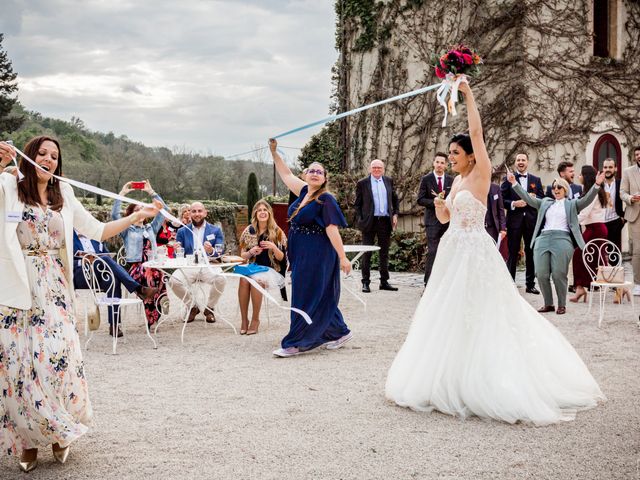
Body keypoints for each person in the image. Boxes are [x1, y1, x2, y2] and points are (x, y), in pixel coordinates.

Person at [385, 81, 604, 425]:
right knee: (447, 312)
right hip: (452, 250)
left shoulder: (480, 173)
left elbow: (476, 130)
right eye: (450, 154)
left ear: (471, 155)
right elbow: (445, 218)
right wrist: (442, 205)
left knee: (483, 311)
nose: (452, 158)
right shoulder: (455, 183)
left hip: (475, 252)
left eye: (456, 153)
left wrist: (466, 93)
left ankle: (484, 378)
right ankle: (447, 374)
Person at [0, 137, 160, 472]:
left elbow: (99, 231)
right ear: (28, 157)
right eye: (42, 154)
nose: (48, 159)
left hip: (56, 289)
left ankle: (60, 432)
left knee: (57, 359)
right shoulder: (9, 186)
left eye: (55, 156)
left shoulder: (65, 194)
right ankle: (28, 441)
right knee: (22, 365)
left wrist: (136, 217)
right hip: (19, 287)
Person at [269, 138, 352, 357]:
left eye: (319, 172)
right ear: (306, 174)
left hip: (318, 254)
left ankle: (295, 342)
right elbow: (286, 174)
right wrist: (274, 153)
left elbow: (332, 229)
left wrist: (343, 257)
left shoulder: (325, 199)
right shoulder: (304, 191)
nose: (315, 173)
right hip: (301, 254)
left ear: (324, 178)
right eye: (311, 170)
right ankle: (339, 331)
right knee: (318, 293)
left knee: (305, 294)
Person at [508, 171, 604, 313]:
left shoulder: (572, 204)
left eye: (559, 187)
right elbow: (527, 198)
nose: (556, 190)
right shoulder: (545, 202)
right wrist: (514, 183)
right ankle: (548, 304)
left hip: (562, 239)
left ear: (565, 189)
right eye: (554, 187)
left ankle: (561, 304)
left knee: (559, 273)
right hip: (543, 239)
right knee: (541, 273)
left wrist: (597, 184)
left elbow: (587, 200)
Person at [73, 231, 158, 337]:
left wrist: (104, 257)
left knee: (114, 280)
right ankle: (138, 289)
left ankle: (114, 325)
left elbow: (107, 255)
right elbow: (65, 260)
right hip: (80, 275)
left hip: (99, 274)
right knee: (104, 260)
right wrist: (84, 261)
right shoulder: (69, 234)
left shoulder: (95, 236)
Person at [112, 181, 167, 326]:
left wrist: (151, 191)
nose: (141, 211)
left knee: (158, 271)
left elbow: (163, 210)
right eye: (137, 209)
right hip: (135, 268)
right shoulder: (126, 229)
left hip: (153, 266)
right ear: (131, 214)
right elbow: (114, 215)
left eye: (143, 208)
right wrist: (122, 194)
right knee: (151, 272)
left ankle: (160, 300)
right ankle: (158, 303)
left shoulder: (151, 228)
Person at [237, 200, 287, 335]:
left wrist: (274, 247)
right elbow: (242, 255)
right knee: (243, 280)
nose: (262, 212)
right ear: (255, 214)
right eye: (259, 210)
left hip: (270, 270)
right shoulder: (249, 230)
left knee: (256, 281)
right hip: (253, 267)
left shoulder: (277, 232)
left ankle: (255, 320)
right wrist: (251, 252)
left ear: (269, 213)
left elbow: (283, 258)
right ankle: (244, 320)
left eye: (265, 210)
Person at [172, 202, 226, 323]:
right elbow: (177, 255)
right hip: (189, 266)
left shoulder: (215, 230)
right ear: (190, 213)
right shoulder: (182, 231)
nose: (197, 214)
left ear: (205, 213)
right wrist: (177, 250)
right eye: (194, 211)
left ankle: (209, 308)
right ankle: (192, 307)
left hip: (208, 265)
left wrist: (211, 250)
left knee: (221, 279)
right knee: (173, 281)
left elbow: (220, 250)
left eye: (199, 211)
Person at [501, 152, 543, 294]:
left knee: (530, 252)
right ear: (515, 163)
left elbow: (542, 199)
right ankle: (510, 284)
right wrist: (513, 203)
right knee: (512, 252)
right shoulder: (509, 179)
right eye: (518, 160)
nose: (520, 162)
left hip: (531, 221)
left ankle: (530, 284)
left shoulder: (536, 180)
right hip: (514, 221)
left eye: (523, 160)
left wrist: (534, 197)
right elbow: (502, 199)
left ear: (527, 162)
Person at [354, 159, 400, 292]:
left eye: (379, 167)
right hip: (369, 222)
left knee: (384, 253)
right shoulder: (363, 183)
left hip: (385, 221)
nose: (376, 170)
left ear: (383, 169)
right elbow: (357, 204)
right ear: (370, 169)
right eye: (374, 167)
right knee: (367, 252)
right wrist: (361, 220)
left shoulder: (388, 181)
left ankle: (384, 282)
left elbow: (395, 199)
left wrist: (395, 214)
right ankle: (365, 282)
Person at [569, 166, 609, 303]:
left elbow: (584, 213)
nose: (578, 176)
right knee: (597, 259)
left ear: (585, 177)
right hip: (596, 228)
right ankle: (582, 286)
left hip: (595, 228)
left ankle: (581, 287)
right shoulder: (593, 191)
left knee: (580, 255)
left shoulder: (593, 193)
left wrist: (570, 223)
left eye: (580, 174)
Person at [416, 153, 453, 285]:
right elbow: (420, 199)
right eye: (437, 162)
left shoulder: (451, 180)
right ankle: (429, 284)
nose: (439, 165)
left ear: (446, 165)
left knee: (447, 252)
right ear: (433, 163)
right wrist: (435, 201)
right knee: (433, 251)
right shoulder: (426, 179)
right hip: (432, 222)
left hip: (448, 221)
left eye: (442, 163)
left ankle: (445, 284)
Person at [620, 146, 640, 296]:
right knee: (638, 251)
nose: (639, 156)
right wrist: (630, 198)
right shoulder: (628, 172)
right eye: (637, 154)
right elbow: (622, 192)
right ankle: (638, 283)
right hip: (635, 215)